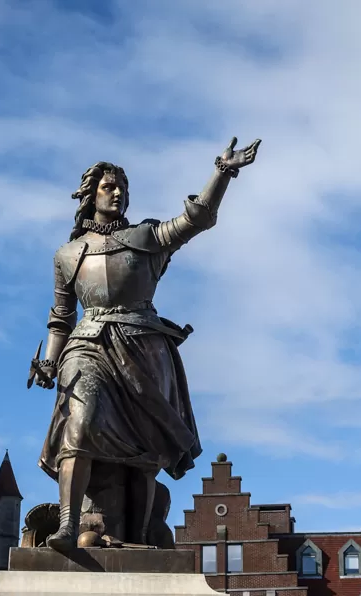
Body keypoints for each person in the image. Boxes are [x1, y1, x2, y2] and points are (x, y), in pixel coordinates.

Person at [31, 137, 261, 551]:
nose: (118, 193)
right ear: (90, 194)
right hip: (87, 344)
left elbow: (198, 219)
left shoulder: (147, 237)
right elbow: (61, 317)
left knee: (144, 452)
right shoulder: (67, 254)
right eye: (109, 186)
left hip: (142, 347)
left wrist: (222, 173)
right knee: (78, 427)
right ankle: (67, 526)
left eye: (123, 187)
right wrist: (49, 362)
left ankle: (136, 536)